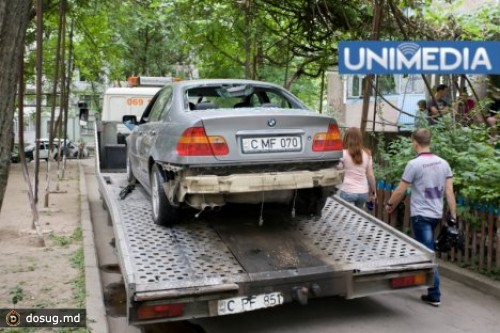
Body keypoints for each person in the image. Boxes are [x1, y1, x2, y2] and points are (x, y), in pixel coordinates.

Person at [385, 128, 457, 307]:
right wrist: (453, 216)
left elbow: (401, 190)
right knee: (424, 249)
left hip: (420, 216)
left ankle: (435, 294)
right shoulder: (444, 163)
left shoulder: (414, 164)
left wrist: (390, 204)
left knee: (427, 254)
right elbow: (449, 191)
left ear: (414, 142)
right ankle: (417, 280)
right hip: (435, 215)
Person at [338, 127, 377, 209]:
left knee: (346, 218)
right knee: (357, 217)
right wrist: (374, 191)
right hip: (363, 193)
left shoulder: (343, 153)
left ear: (346, 138)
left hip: (348, 191)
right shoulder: (367, 154)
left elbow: (338, 168)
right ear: (360, 139)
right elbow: (370, 175)